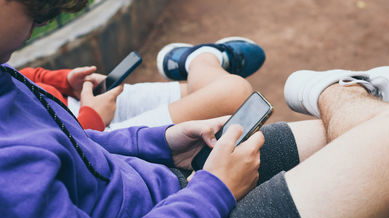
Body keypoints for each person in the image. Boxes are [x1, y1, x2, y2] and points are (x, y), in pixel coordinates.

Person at [1, 1, 389, 218]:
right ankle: (337, 91)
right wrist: (213, 191)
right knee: (388, 140)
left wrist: (160, 142)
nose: (42, 19)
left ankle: (340, 95)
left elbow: (74, 148)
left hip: (175, 196)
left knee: (341, 143)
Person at [18, 35, 265, 131]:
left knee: (200, 94)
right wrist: (91, 120)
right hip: (91, 141)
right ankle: (200, 58)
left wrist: (61, 81)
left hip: (80, 104)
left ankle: (199, 61)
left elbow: (19, 76)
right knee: (236, 94)